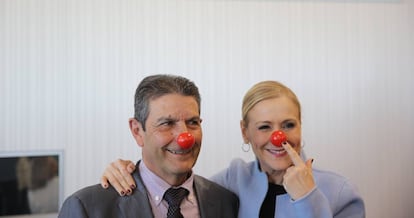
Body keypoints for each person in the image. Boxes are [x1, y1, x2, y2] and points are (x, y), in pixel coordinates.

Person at [101, 80, 366, 218]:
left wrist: (308, 198)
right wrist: (126, 170)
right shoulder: (230, 183)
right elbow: (175, 181)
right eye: (264, 127)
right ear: (245, 132)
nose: (278, 137)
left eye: (288, 124)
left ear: (300, 127)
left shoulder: (340, 192)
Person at [58, 74, 239, 218]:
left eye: (192, 122)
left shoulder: (226, 202)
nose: (186, 137)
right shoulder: (87, 208)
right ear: (137, 131)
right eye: (167, 123)